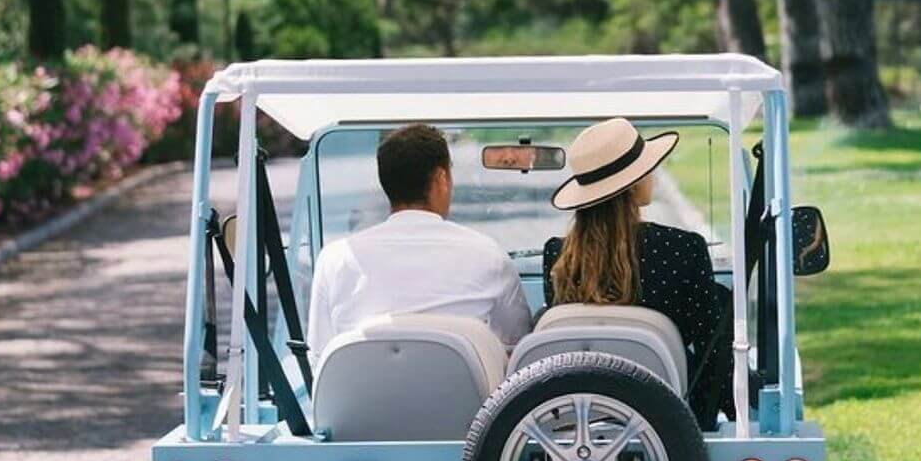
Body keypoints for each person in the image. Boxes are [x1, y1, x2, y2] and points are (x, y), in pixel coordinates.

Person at [545, 117, 734, 428]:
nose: (654, 177)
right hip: (667, 424)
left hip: (577, 424)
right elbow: (710, 355)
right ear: (634, 182)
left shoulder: (559, 256)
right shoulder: (684, 249)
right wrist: (713, 420)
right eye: (648, 169)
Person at [307, 123, 532, 363]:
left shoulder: (335, 259)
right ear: (441, 178)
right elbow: (517, 348)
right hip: (464, 401)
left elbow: (320, 356)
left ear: (386, 182)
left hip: (365, 400)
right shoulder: (489, 256)